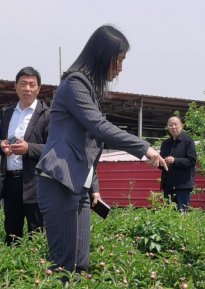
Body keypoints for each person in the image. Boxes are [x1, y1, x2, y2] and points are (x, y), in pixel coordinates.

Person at [36, 25, 166, 275]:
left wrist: (93, 186)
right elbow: (99, 127)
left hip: (79, 185)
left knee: (81, 264)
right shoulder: (74, 84)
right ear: (102, 55)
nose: (120, 68)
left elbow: (88, 144)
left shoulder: (88, 90)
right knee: (64, 265)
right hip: (59, 181)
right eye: (119, 59)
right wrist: (144, 148)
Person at [0, 67, 50, 245]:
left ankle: (37, 261)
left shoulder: (47, 115)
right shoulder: (7, 113)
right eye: (23, 84)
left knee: (37, 231)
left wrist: (28, 148)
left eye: (31, 84)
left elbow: (55, 148)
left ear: (38, 88)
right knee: (12, 231)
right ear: (15, 87)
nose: (27, 88)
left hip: (35, 182)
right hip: (11, 180)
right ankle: (12, 261)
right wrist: (1, 145)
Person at [159, 115, 197, 211]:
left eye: (175, 124)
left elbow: (192, 160)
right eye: (170, 125)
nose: (173, 127)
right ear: (168, 128)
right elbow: (161, 164)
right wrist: (155, 162)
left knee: (182, 212)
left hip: (182, 185)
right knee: (168, 213)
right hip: (168, 184)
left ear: (181, 126)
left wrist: (175, 160)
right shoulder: (165, 143)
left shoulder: (188, 141)